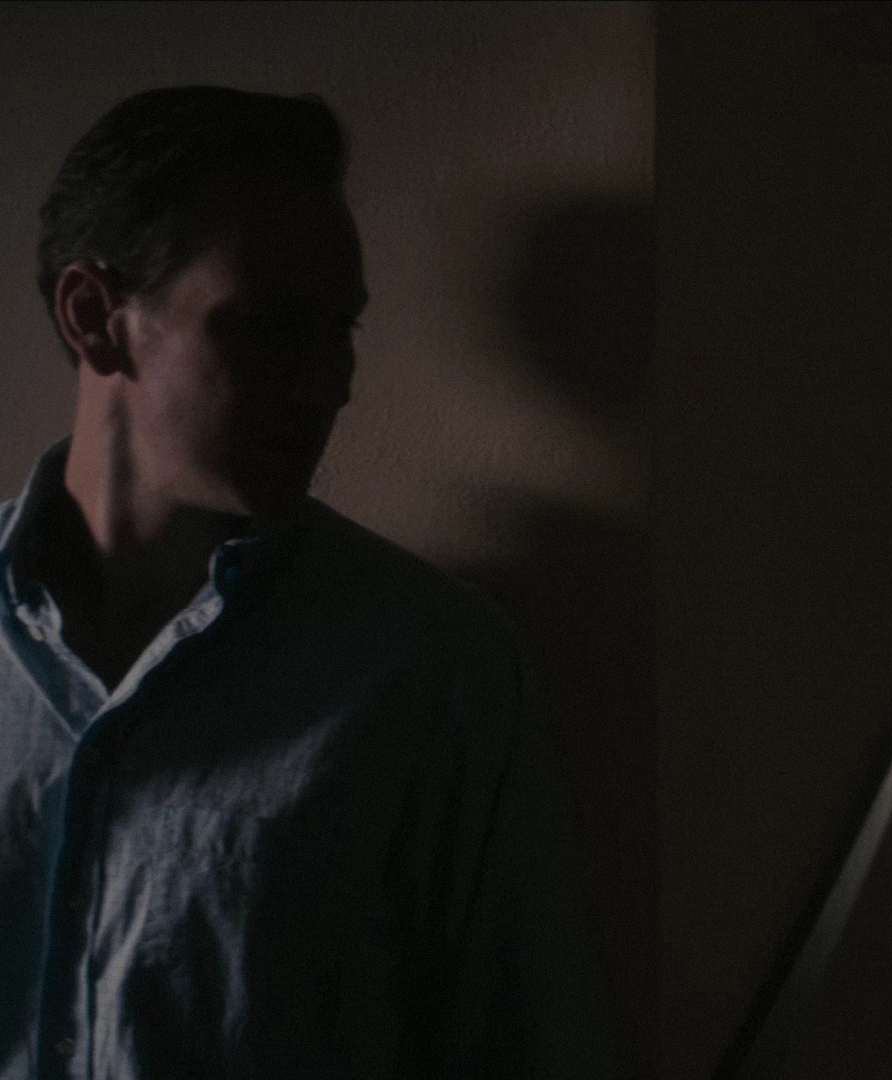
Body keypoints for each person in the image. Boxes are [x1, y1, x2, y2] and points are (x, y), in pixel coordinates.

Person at [0, 87, 618, 1079]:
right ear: (94, 317)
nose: (330, 382)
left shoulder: (429, 668)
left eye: (341, 329)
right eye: (267, 327)